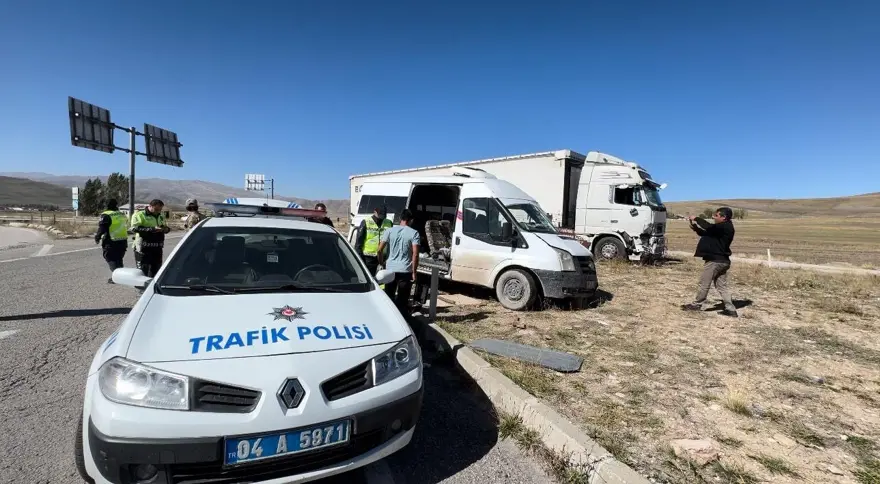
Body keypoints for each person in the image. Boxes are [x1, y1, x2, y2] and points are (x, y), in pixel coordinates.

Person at [681, 207, 738, 317]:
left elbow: (708, 227)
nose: (713, 217)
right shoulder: (721, 228)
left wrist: (696, 218)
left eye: (716, 215)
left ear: (724, 217)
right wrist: (696, 228)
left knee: (704, 283)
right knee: (722, 286)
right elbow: (707, 233)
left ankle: (697, 305)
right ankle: (731, 310)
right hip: (723, 261)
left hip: (715, 261)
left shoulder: (724, 226)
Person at [377, 209, 420, 316]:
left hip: (390, 269)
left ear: (400, 218)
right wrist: (414, 272)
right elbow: (415, 254)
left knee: (389, 297)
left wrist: (382, 262)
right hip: (405, 270)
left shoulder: (389, 231)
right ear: (411, 220)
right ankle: (402, 320)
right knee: (402, 300)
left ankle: (388, 317)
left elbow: (379, 250)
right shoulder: (414, 233)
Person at [130, 199, 170, 277]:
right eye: (156, 209)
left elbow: (163, 226)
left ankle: (151, 287)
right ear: (150, 206)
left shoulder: (160, 216)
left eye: (160, 210)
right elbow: (134, 229)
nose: (158, 211)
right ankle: (142, 288)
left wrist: (166, 229)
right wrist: (151, 229)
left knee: (156, 271)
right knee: (142, 271)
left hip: (157, 247)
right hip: (143, 247)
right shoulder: (139, 215)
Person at [94, 199, 129, 283]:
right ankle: (121, 276)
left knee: (110, 258)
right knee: (119, 259)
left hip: (111, 240)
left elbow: (102, 228)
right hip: (123, 239)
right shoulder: (121, 214)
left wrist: (97, 237)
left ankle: (117, 277)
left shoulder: (106, 215)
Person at [354, 205, 392, 276]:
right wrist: (360, 260)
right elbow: (358, 243)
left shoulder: (389, 223)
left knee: (383, 279)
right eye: (380, 215)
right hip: (368, 258)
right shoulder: (366, 222)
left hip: (383, 257)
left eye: (383, 215)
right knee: (369, 278)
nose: (381, 218)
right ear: (374, 212)